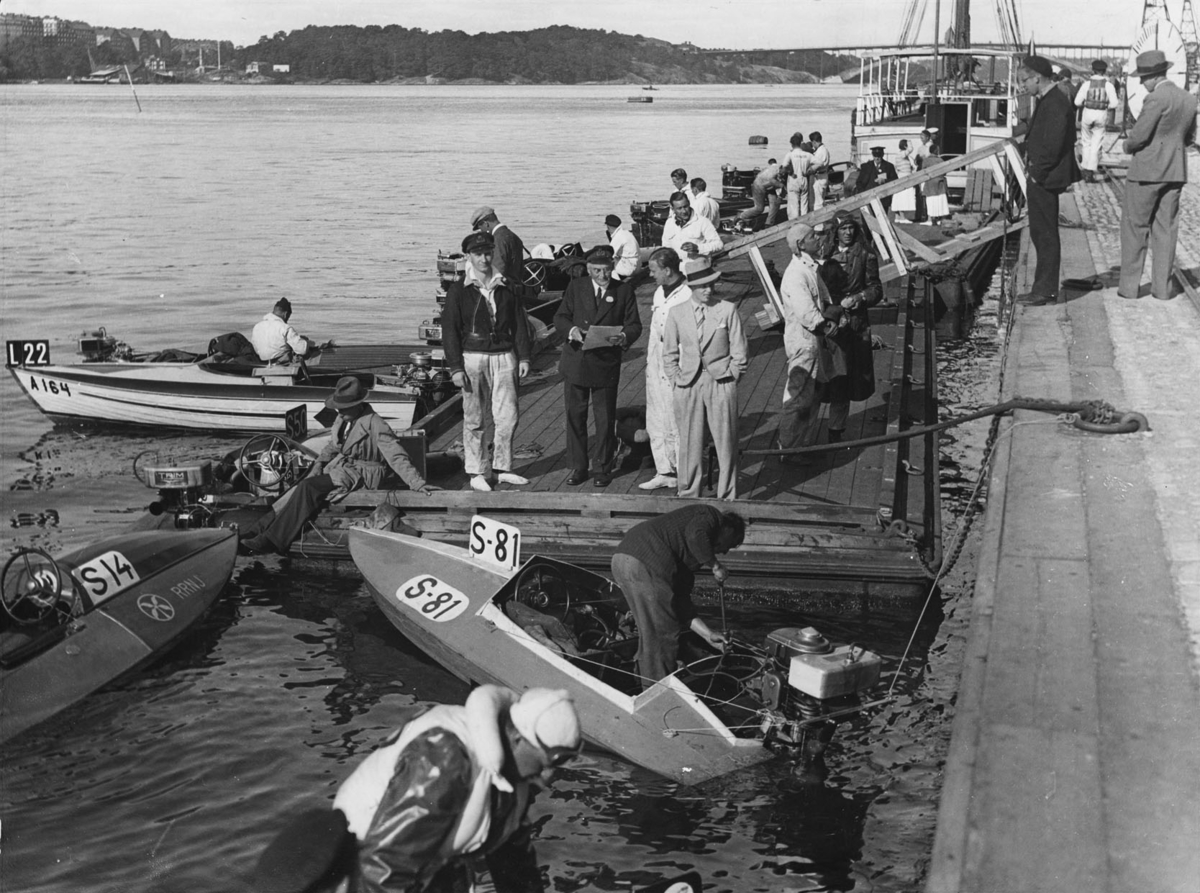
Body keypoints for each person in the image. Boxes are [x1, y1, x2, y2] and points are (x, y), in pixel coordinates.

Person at [251, 685, 581, 893]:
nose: (550, 774)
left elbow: (515, 862)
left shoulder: (515, 779)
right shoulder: (446, 758)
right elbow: (384, 870)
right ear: (518, 738)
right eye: (548, 760)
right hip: (361, 871)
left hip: (431, 868)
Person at [239, 377, 436, 555]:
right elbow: (333, 445)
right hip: (344, 467)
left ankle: (273, 540)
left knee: (309, 487)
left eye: (344, 407)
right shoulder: (342, 419)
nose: (339, 411)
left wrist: (416, 483)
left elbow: (396, 456)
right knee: (300, 487)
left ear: (357, 405)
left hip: (365, 472)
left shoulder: (376, 424)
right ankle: (257, 529)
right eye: (338, 407)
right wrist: (319, 463)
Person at [610, 506, 745, 688]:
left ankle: (642, 681)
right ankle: (657, 693)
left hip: (622, 560)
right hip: (647, 562)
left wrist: (708, 635)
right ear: (729, 529)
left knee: (650, 631)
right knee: (664, 633)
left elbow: (682, 606)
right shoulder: (710, 516)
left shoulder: (686, 561)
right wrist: (715, 565)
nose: (725, 552)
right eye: (731, 543)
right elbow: (695, 535)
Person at [442, 230, 532, 492]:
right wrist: (456, 367)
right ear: (468, 256)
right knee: (474, 417)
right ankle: (476, 470)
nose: (484, 258)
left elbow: (519, 324)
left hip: (504, 356)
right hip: (473, 357)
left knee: (508, 416)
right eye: (478, 254)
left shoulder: (507, 285)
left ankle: (503, 467)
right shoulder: (459, 291)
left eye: (488, 252)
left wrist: (524, 356)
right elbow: (450, 331)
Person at [553, 246, 642, 487]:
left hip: (605, 363)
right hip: (576, 362)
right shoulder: (576, 287)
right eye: (596, 271)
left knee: (604, 419)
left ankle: (603, 467)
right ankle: (578, 466)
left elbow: (634, 325)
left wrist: (623, 337)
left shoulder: (623, 291)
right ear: (588, 269)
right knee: (575, 416)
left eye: (605, 270)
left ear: (613, 267)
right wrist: (572, 331)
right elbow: (560, 317)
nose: (602, 276)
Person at [662, 259, 746, 500]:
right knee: (689, 444)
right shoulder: (677, 313)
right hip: (688, 385)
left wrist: (731, 379)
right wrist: (677, 381)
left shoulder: (727, 309)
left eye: (711, 284)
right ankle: (688, 494)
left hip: (720, 382)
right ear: (691, 287)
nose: (709, 289)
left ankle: (727, 496)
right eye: (702, 286)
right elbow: (668, 353)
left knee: (726, 443)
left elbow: (740, 351)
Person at [1119, 50, 1198, 302]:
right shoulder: (1188, 99)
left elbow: (1139, 135)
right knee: (1166, 230)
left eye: (1143, 78)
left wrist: (1126, 146)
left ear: (1153, 77)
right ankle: (1162, 290)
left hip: (1146, 173)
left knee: (1135, 228)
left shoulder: (1155, 99)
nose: (1142, 83)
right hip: (1175, 172)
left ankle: (1130, 288)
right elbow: (1189, 137)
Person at [1017, 54, 1082, 305]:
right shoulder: (1052, 99)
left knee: (1044, 234)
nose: (1023, 86)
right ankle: (1043, 288)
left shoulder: (1054, 102)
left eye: (1025, 81)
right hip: (1043, 176)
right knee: (1041, 233)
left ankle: (1044, 291)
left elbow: (1053, 144)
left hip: (1044, 178)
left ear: (1037, 78)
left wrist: (1037, 173)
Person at [819, 212, 883, 443]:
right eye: (843, 228)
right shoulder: (824, 255)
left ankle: (836, 429)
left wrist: (860, 297)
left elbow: (876, 289)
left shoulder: (866, 255)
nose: (848, 232)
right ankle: (806, 430)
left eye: (851, 228)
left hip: (854, 324)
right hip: (827, 321)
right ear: (835, 232)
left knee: (845, 378)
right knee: (825, 375)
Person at [777, 222, 836, 460]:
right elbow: (806, 312)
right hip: (804, 342)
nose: (819, 239)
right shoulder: (796, 274)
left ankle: (801, 445)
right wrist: (828, 325)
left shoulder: (810, 268)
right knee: (799, 396)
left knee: (812, 395)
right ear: (801, 244)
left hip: (813, 342)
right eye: (813, 236)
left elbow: (823, 299)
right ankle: (788, 448)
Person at [640, 247, 692, 491]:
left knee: (678, 421)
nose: (651, 275)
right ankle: (664, 470)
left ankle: (685, 474)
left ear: (668, 270)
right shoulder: (660, 293)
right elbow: (654, 331)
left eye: (653, 270)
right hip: (656, 363)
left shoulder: (688, 295)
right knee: (656, 419)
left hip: (678, 365)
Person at [1075, 59, 1120, 183]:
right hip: (1101, 115)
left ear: (1092, 70)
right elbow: (1115, 103)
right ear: (1104, 71)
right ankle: (1091, 169)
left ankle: (1085, 169)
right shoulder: (1108, 85)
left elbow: (1077, 102)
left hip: (1087, 114)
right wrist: (1105, 105)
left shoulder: (1086, 84)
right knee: (1096, 143)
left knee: (1086, 142)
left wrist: (1087, 103)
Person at [469, 206, 527, 288]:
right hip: (515, 290)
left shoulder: (497, 240)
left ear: (486, 223)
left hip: (503, 293)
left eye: (481, 228)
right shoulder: (513, 236)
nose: (482, 232)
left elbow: (498, 271)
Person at [660, 192, 723, 261]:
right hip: (676, 267)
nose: (684, 211)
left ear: (689, 203)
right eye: (679, 208)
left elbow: (718, 244)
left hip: (697, 267)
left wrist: (698, 248)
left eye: (685, 206)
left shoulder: (702, 221)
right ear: (672, 209)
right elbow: (666, 246)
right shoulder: (669, 223)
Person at [250, 298, 315, 364]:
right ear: (286, 314)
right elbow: (302, 350)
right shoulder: (285, 328)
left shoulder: (257, 327)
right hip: (282, 363)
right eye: (288, 317)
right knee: (307, 352)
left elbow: (256, 350)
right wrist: (304, 341)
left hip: (263, 362)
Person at [735, 158, 784, 229]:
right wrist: (781, 187)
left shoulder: (774, 168)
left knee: (775, 204)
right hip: (758, 186)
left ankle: (769, 223)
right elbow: (773, 181)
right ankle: (741, 216)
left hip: (768, 186)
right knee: (759, 208)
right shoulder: (775, 171)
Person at [855, 146, 898, 213]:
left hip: (883, 199)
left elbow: (894, 180)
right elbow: (859, 182)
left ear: (882, 155)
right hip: (868, 200)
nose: (877, 158)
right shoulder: (866, 166)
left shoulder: (889, 166)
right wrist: (863, 195)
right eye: (875, 156)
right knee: (868, 221)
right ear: (872, 155)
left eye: (879, 156)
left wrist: (884, 181)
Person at [784, 132, 815, 220]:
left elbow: (785, 166)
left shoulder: (791, 153)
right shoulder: (808, 150)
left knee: (793, 204)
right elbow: (818, 162)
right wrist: (811, 170)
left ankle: (794, 223)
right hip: (805, 178)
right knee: (804, 202)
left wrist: (790, 173)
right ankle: (804, 220)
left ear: (792, 143)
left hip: (794, 178)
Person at [605, 213, 640, 281]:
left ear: (608, 227)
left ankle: (617, 285)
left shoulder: (618, 237)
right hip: (637, 265)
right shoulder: (626, 233)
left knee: (608, 265)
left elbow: (609, 254)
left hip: (630, 268)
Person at [892, 139, 918, 221]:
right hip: (904, 178)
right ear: (905, 146)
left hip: (902, 177)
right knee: (902, 197)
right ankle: (902, 217)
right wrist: (909, 142)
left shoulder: (902, 155)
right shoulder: (901, 154)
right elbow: (910, 149)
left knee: (898, 197)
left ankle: (898, 217)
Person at [808, 132, 832, 210]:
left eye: (812, 143)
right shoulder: (822, 150)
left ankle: (819, 221)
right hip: (821, 176)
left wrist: (809, 170)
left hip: (819, 177)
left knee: (817, 203)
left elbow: (818, 165)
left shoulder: (822, 151)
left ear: (814, 142)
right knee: (819, 201)